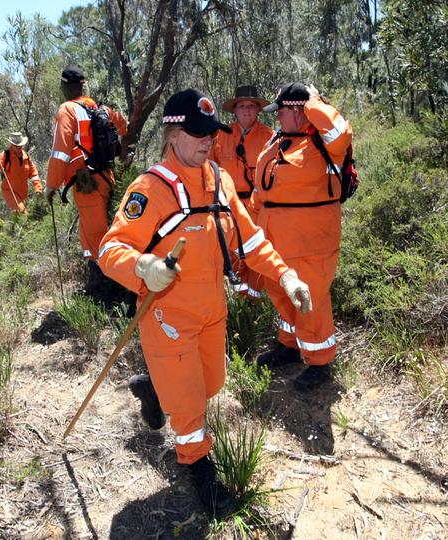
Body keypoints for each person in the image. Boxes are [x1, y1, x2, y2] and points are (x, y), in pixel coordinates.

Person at [97, 89, 312, 517]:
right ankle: (199, 471)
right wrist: (143, 267)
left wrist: (284, 273)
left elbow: (249, 238)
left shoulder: (220, 180)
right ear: (173, 133)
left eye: (211, 133)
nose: (206, 141)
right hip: (167, 318)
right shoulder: (150, 188)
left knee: (211, 384)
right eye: (196, 133)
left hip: (213, 310)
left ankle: (156, 391)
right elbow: (110, 249)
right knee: (192, 406)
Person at [251, 82, 352, 390]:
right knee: (282, 293)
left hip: (311, 240)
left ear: (298, 110)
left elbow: (340, 131)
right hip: (275, 237)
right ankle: (290, 345)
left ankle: (321, 363)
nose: (277, 117)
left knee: (311, 300)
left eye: (281, 111)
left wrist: (312, 102)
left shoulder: (325, 142)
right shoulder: (280, 140)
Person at [45, 65, 128, 294]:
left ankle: (102, 291)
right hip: (106, 176)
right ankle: (104, 284)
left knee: (95, 235)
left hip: (86, 183)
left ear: (64, 86)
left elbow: (60, 152)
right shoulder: (99, 108)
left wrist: (52, 185)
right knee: (94, 230)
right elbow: (123, 124)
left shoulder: (67, 110)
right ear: (83, 86)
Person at [211, 85, 274, 298]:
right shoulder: (221, 136)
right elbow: (210, 170)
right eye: (242, 106)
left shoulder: (270, 137)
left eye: (251, 106)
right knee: (233, 254)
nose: (246, 110)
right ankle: (239, 304)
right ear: (235, 110)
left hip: (258, 206)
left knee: (256, 252)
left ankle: (255, 303)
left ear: (258, 110)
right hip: (229, 206)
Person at [0, 132, 43, 214]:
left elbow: (33, 174)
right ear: (11, 145)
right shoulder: (5, 155)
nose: (18, 147)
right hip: (9, 191)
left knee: (17, 217)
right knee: (24, 214)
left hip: (23, 194)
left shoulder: (26, 156)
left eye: (20, 145)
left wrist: (38, 187)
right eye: (16, 145)